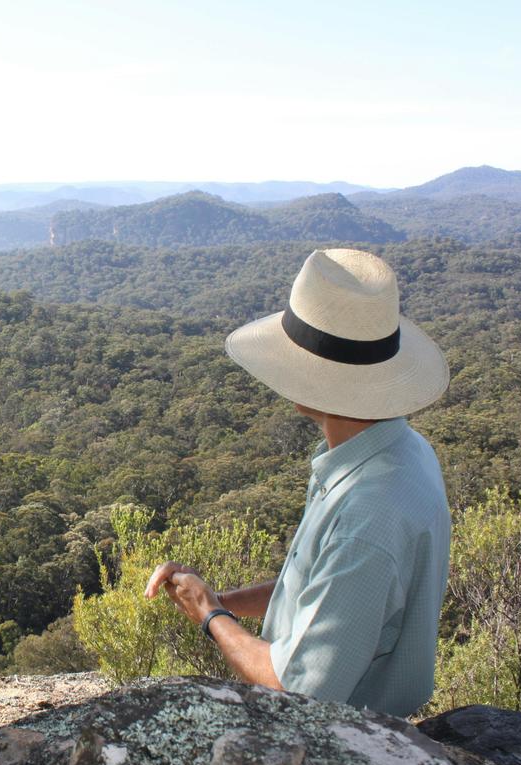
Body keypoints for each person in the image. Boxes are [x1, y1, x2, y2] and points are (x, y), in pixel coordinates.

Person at [144, 247, 451, 717]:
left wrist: (209, 615)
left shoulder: (367, 516)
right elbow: (322, 594)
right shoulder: (399, 450)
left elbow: (296, 686)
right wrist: (216, 599)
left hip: (348, 738)